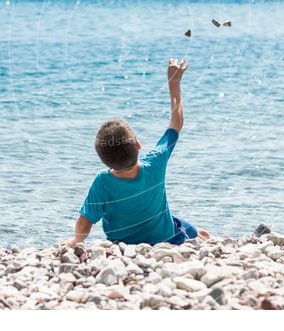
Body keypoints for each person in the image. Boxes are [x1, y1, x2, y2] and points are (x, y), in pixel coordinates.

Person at [68, 58, 209, 246]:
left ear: (104, 160)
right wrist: (174, 83)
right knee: (197, 233)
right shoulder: (155, 162)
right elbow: (177, 123)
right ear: (138, 145)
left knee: (186, 226)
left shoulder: (102, 181)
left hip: (124, 243)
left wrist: (75, 243)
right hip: (167, 237)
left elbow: (84, 223)